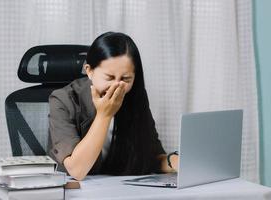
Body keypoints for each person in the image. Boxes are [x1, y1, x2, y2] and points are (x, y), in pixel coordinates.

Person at [48, 32, 178, 180]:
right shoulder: (62, 99)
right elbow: (77, 170)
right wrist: (105, 114)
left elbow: (151, 158)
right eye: (109, 77)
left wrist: (175, 161)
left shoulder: (134, 96)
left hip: (118, 188)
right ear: (89, 71)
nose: (116, 87)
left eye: (125, 78)